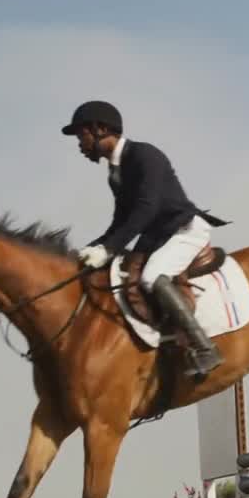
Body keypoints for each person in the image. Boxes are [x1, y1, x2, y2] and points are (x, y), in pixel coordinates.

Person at [61, 100, 228, 378]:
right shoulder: (116, 174)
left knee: (152, 277)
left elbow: (146, 208)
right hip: (158, 235)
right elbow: (121, 221)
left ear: (100, 129)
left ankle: (205, 348)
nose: (80, 143)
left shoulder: (143, 155)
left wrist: (110, 248)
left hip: (183, 228)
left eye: (82, 135)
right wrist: (97, 246)